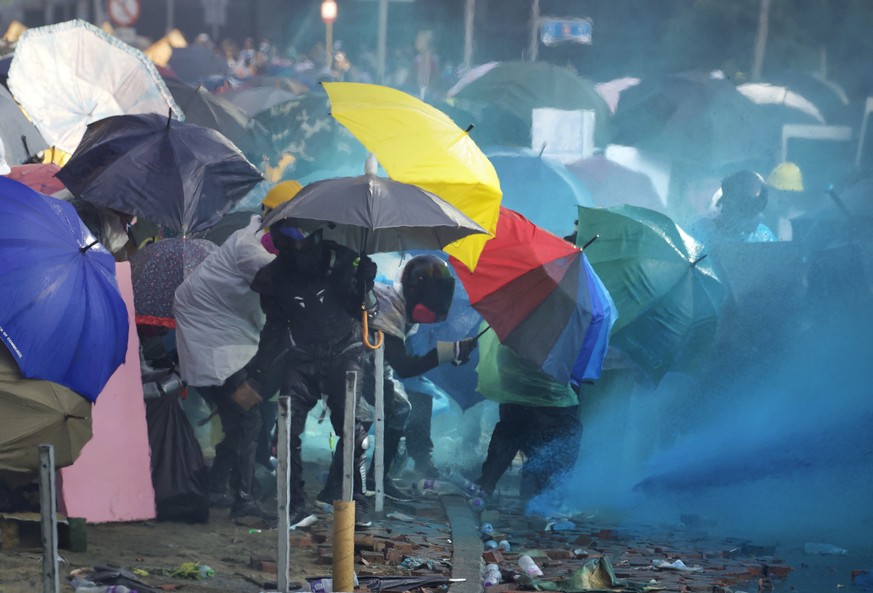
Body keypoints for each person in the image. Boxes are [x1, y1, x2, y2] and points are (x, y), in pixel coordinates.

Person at [173, 181, 300, 519]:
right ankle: (243, 502)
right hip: (211, 340)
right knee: (246, 418)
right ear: (269, 215)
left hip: (223, 336)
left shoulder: (259, 241)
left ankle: (216, 488)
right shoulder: (250, 249)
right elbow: (284, 289)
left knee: (239, 418)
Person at [237, 223, 378, 527]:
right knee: (285, 433)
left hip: (346, 351)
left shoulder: (340, 261)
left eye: (298, 241)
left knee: (353, 434)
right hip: (302, 355)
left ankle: (354, 500)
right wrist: (258, 375)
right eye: (286, 242)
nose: (294, 249)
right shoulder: (273, 278)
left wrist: (363, 282)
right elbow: (274, 330)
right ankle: (292, 505)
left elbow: (361, 309)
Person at [319, 254, 477, 504]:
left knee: (399, 408)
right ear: (416, 290)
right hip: (348, 364)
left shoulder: (398, 306)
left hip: (371, 364)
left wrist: (453, 352)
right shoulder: (388, 307)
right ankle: (335, 489)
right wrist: (449, 352)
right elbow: (403, 365)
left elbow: (395, 356)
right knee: (359, 422)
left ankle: (376, 479)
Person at [473, 331, 582, 501]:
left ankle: (487, 483)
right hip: (549, 399)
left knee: (511, 428)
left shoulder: (517, 319)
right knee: (567, 432)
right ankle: (549, 493)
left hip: (514, 392)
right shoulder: (570, 324)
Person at [690, 170, 777, 244]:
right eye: (742, 207)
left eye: (754, 210)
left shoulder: (763, 235)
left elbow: (775, 260)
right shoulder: (701, 231)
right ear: (725, 202)